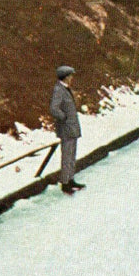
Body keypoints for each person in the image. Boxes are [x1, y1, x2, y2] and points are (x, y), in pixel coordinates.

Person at [50, 65, 85, 194]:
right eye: (70, 76)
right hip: (66, 129)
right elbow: (54, 108)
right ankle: (65, 183)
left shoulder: (66, 89)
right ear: (65, 77)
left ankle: (70, 179)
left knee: (71, 155)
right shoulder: (58, 90)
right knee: (66, 156)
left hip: (71, 128)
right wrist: (63, 117)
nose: (72, 78)